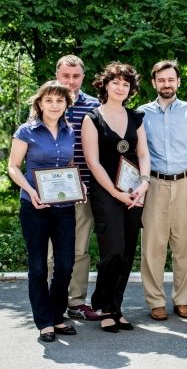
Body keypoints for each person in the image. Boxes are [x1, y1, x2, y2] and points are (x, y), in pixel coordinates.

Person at [139, 60, 187, 321]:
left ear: (178, 82)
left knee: (186, 246)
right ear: (154, 83)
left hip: (185, 184)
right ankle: (155, 301)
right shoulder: (142, 113)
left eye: (171, 79)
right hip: (154, 185)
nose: (166, 84)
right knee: (153, 246)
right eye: (161, 80)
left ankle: (183, 299)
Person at [82, 62, 150, 332]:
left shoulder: (136, 117)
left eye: (126, 84)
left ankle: (116, 308)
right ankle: (103, 306)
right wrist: (114, 193)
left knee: (127, 252)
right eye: (116, 82)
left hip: (134, 192)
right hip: (106, 193)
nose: (121, 87)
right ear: (105, 85)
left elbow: (143, 154)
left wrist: (144, 184)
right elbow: (92, 162)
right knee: (113, 252)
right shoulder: (92, 118)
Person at [8, 81, 78, 342]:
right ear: (40, 103)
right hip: (34, 206)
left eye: (60, 100)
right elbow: (13, 166)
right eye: (49, 100)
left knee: (65, 265)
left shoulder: (70, 131)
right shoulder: (26, 131)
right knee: (38, 266)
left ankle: (57, 316)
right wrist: (31, 191)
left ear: (66, 104)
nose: (54, 105)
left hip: (64, 208)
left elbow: (68, 163)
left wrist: (77, 184)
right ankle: (45, 322)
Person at [54, 55, 101, 321]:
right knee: (51, 251)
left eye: (76, 76)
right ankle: (52, 303)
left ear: (83, 77)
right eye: (66, 76)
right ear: (57, 75)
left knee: (79, 249)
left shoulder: (94, 106)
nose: (71, 82)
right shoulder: (46, 102)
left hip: (84, 191)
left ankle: (76, 302)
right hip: (51, 192)